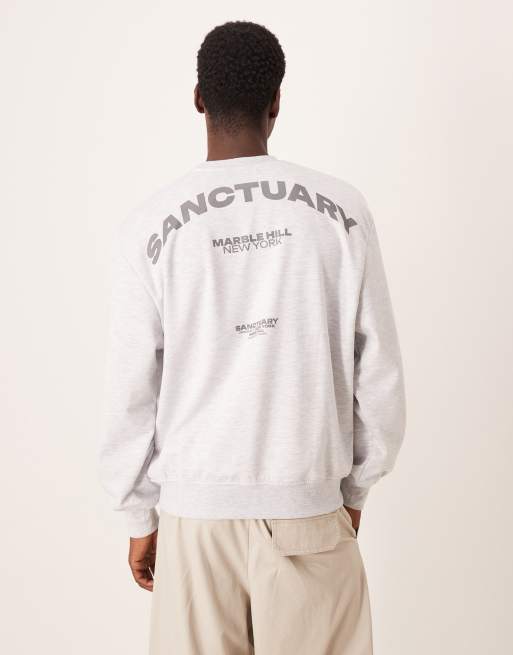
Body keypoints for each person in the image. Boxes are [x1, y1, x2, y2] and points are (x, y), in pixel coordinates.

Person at [99, 20, 406, 655]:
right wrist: (352, 492)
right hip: (309, 510)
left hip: (195, 518)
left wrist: (137, 513)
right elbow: (379, 374)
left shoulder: (148, 228)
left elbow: (130, 391)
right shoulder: (342, 212)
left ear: (198, 98)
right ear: (276, 101)